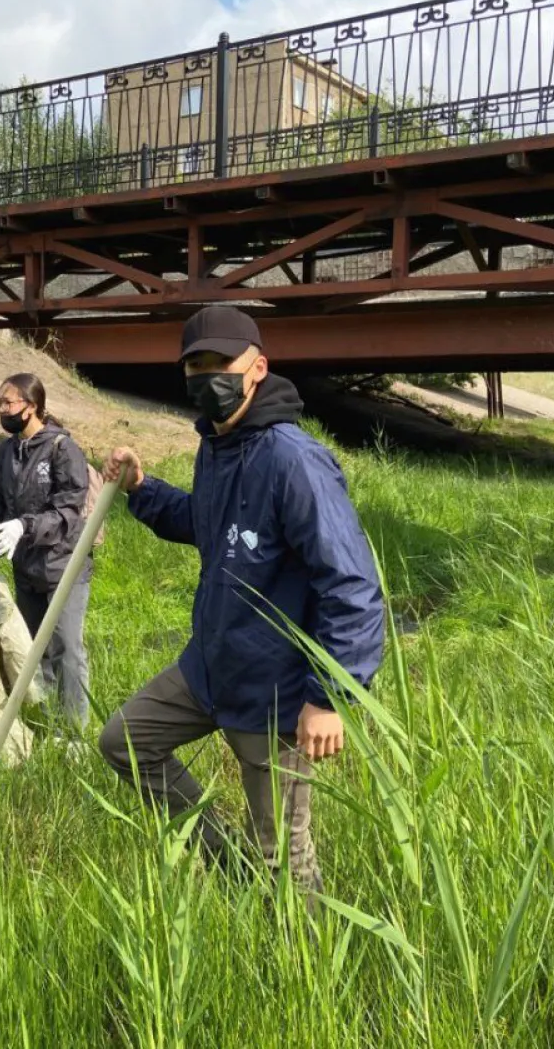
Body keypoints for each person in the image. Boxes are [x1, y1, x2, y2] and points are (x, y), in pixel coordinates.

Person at [98, 304, 386, 897]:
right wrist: (143, 490)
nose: (208, 377)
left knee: (284, 852)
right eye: (195, 365)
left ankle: (304, 971)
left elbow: (352, 586)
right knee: (126, 741)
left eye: (220, 363)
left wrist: (328, 698)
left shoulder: (292, 460)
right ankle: (227, 862)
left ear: (257, 368)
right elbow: (208, 524)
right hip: (211, 667)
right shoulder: (215, 447)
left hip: (274, 691)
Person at [0, 373, 94, 732]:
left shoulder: (61, 449)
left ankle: (75, 734)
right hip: (27, 570)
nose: (2, 410)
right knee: (35, 651)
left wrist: (25, 525)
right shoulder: (6, 452)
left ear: (31, 407)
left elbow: (69, 511)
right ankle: (51, 726)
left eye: (8, 404)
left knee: (66, 649)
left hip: (64, 566)